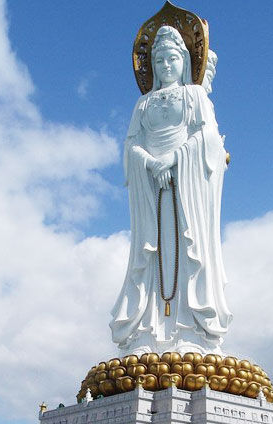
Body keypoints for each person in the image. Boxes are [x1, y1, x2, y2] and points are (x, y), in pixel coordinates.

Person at [110, 26, 232, 356]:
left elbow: (207, 138)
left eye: (172, 58)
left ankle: (189, 329)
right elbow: (131, 144)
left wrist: (175, 159)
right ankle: (146, 330)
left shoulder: (194, 96)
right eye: (159, 59)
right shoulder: (143, 104)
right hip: (151, 185)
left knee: (187, 248)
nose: (165, 65)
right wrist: (150, 163)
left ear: (185, 62)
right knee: (151, 252)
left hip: (186, 185)